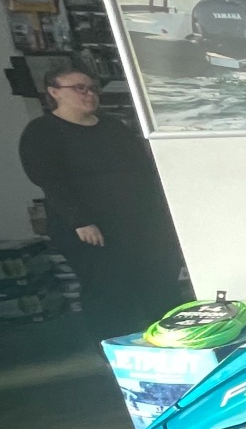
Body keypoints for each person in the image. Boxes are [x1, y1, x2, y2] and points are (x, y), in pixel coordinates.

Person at [17, 69, 187, 338]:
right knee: (109, 291)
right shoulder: (42, 132)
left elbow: (144, 171)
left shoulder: (113, 127)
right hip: (92, 230)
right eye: (79, 88)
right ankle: (114, 348)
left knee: (160, 285)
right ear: (54, 91)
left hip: (140, 225)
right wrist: (80, 220)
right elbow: (50, 180)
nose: (89, 94)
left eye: (93, 88)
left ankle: (173, 341)